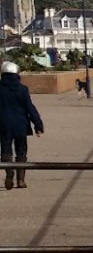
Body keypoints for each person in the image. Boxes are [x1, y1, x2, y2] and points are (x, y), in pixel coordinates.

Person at [0, 61, 47, 190]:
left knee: (5, 150)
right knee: (21, 151)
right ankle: (21, 180)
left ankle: (9, 173)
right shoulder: (22, 89)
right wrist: (38, 125)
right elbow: (29, 108)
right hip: (21, 125)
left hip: (3, 125)